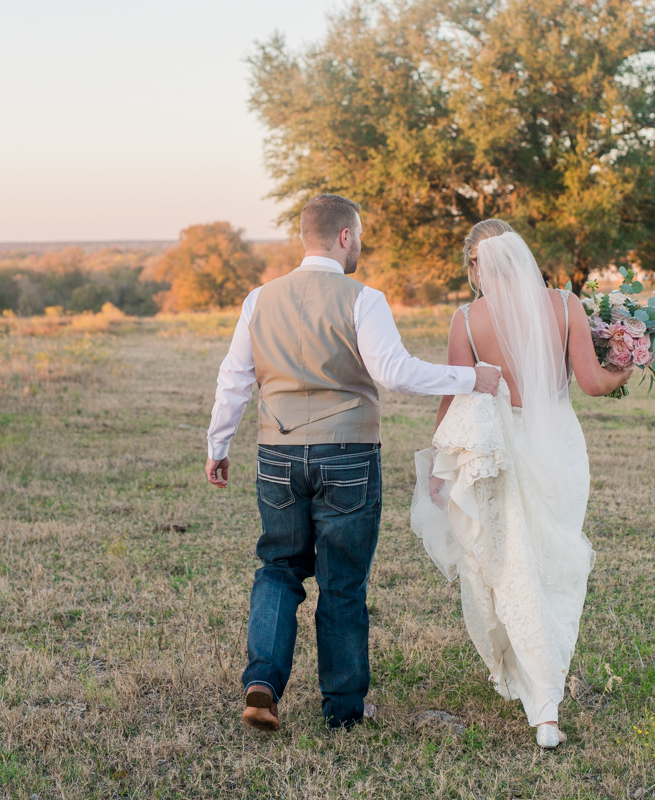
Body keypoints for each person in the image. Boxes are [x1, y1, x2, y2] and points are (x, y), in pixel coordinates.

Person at [205, 194, 501, 732]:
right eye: (359, 236)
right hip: (349, 457)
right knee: (342, 583)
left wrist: (218, 445)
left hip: (278, 454)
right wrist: (469, 378)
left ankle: (263, 682)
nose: (360, 245)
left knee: (278, 568)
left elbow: (234, 378)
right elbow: (395, 372)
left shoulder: (259, 300)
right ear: (345, 237)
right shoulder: (364, 298)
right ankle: (343, 708)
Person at [410, 220, 633, 749]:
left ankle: (544, 703)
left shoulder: (466, 320)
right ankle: (546, 703)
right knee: (553, 561)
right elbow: (595, 384)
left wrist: (442, 467)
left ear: (475, 266)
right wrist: (628, 362)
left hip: (498, 450)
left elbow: (454, 398)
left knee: (514, 565)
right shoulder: (565, 305)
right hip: (558, 446)